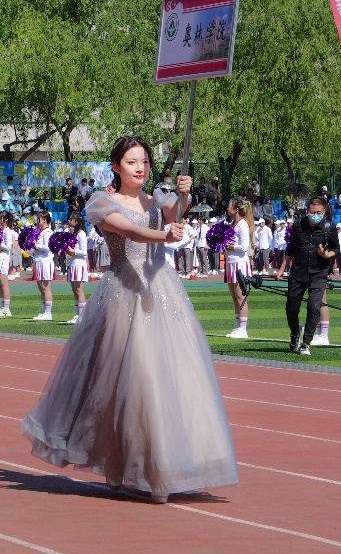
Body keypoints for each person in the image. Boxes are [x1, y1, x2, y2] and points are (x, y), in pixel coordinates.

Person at [22, 136, 238, 503]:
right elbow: (130, 231)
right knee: (123, 381)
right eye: (132, 161)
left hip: (163, 292)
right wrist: (164, 235)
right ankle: (116, 458)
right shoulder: (102, 202)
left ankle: (160, 470)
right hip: (122, 292)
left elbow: (174, 213)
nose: (140, 168)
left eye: (145, 162)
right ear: (116, 166)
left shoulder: (158, 199)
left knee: (170, 378)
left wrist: (184, 194)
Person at [274, 196, 336, 356]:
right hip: (298, 272)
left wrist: (326, 254)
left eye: (319, 213)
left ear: (324, 212)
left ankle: (306, 342)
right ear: (307, 211)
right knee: (291, 308)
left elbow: (336, 249)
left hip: (319, 273)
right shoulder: (298, 226)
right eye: (312, 212)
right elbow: (291, 249)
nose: (315, 215)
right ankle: (295, 331)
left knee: (314, 307)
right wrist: (282, 269)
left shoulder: (329, 227)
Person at [224, 197, 255, 339]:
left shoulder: (242, 225)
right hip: (231, 262)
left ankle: (243, 329)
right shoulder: (233, 224)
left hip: (239, 264)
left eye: (230, 206)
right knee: (234, 297)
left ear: (236, 209)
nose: (227, 208)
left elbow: (243, 247)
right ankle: (238, 327)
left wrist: (231, 246)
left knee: (240, 297)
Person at [0, 212, 20, 317]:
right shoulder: (0, 231)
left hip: (4, 259)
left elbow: (9, 247)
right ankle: (2, 307)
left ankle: (7, 309)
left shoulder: (7, 231)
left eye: (0, 219)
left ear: (5, 220)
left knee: (4, 284)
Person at [30, 212, 56, 321]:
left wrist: (36, 245)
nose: (37, 221)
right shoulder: (41, 232)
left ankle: (48, 313)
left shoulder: (47, 232)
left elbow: (47, 248)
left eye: (39, 219)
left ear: (44, 220)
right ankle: (44, 311)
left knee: (46, 288)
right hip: (39, 261)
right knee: (41, 288)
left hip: (45, 261)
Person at [66, 212, 90, 324]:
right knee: (74, 290)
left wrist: (73, 251)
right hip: (73, 263)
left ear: (76, 222)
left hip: (79, 264)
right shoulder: (74, 233)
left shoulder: (81, 234)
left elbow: (84, 251)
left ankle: (82, 316)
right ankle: (78, 314)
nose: (69, 221)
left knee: (79, 290)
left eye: (72, 219)